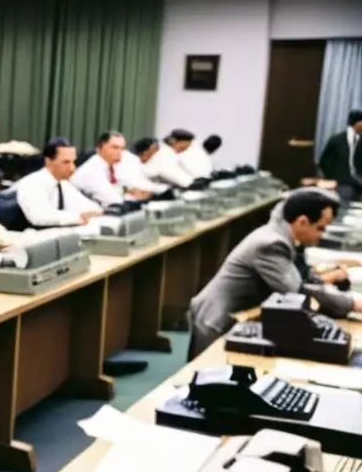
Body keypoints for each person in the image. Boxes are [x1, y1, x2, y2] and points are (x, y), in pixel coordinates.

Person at [188, 189, 362, 359]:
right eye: (320, 228)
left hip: (238, 318)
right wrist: (352, 304)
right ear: (302, 222)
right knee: (206, 381)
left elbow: (305, 276)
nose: (322, 235)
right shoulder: (272, 244)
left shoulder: (284, 237)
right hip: (217, 319)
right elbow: (296, 291)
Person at [15, 138, 102, 227]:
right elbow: (38, 217)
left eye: (73, 162)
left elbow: (86, 206)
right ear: (48, 161)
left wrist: (94, 213)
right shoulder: (32, 183)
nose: (72, 168)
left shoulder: (62, 184)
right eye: (66, 162)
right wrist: (77, 217)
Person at [70, 132, 155, 207]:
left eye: (122, 148)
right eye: (115, 147)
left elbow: (113, 188)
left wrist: (128, 191)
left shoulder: (110, 167)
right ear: (99, 148)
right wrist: (137, 197)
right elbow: (114, 200)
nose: (119, 152)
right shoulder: (92, 170)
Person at [318, 110, 362, 187]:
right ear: (358, 123)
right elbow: (324, 162)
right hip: (341, 181)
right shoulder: (336, 140)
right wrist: (334, 179)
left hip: (358, 179)